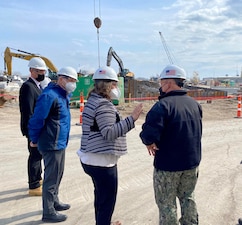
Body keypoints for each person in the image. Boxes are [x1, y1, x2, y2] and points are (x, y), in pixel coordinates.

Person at [77, 66, 143, 225]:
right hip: (102, 162)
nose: (117, 88)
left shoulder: (93, 100)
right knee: (106, 201)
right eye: (115, 84)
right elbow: (109, 133)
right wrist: (131, 119)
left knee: (100, 197)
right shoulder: (103, 105)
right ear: (108, 85)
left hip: (91, 158)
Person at [140, 64, 202, 225]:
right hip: (191, 163)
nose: (160, 86)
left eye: (161, 83)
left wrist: (148, 142)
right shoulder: (195, 104)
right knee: (188, 197)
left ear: (168, 83)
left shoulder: (162, 106)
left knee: (166, 204)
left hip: (168, 166)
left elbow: (148, 134)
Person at [28, 66, 78, 223]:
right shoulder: (50, 96)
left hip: (59, 142)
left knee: (58, 174)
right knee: (51, 177)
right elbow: (37, 119)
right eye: (71, 81)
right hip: (51, 143)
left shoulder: (63, 95)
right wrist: (34, 139)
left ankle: (54, 201)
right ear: (61, 79)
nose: (73, 84)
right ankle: (48, 211)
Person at [19, 57, 47, 196]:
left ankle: (38, 178)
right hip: (33, 129)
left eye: (43, 71)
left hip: (39, 128)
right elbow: (28, 111)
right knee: (34, 156)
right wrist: (32, 133)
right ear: (31, 70)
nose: (42, 73)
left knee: (38, 155)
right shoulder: (28, 87)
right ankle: (34, 185)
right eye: (39, 71)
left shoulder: (38, 86)